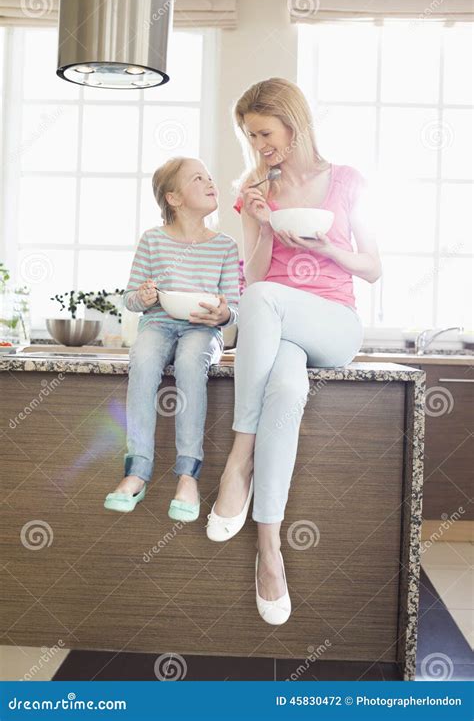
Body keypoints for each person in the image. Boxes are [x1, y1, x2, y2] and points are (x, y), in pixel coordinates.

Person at [206, 78, 382, 625]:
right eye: (249, 135)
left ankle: (239, 461)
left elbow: (374, 267)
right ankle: (270, 551)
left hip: (334, 325)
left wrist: (328, 247)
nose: (258, 144)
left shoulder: (347, 181)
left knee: (266, 302)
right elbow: (253, 277)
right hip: (277, 335)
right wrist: (257, 220)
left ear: (292, 121)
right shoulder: (254, 187)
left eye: (264, 131)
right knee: (285, 387)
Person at [104, 157, 239, 522]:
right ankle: (137, 471)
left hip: (202, 329)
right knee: (144, 360)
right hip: (158, 324)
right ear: (174, 198)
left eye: (210, 176)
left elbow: (233, 308)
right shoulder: (153, 241)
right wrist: (144, 297)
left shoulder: (225, 246)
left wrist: (222, 315)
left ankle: (187, 475)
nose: (211, 182)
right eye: (199, 179)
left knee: (190, 363)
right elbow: (130, 298)